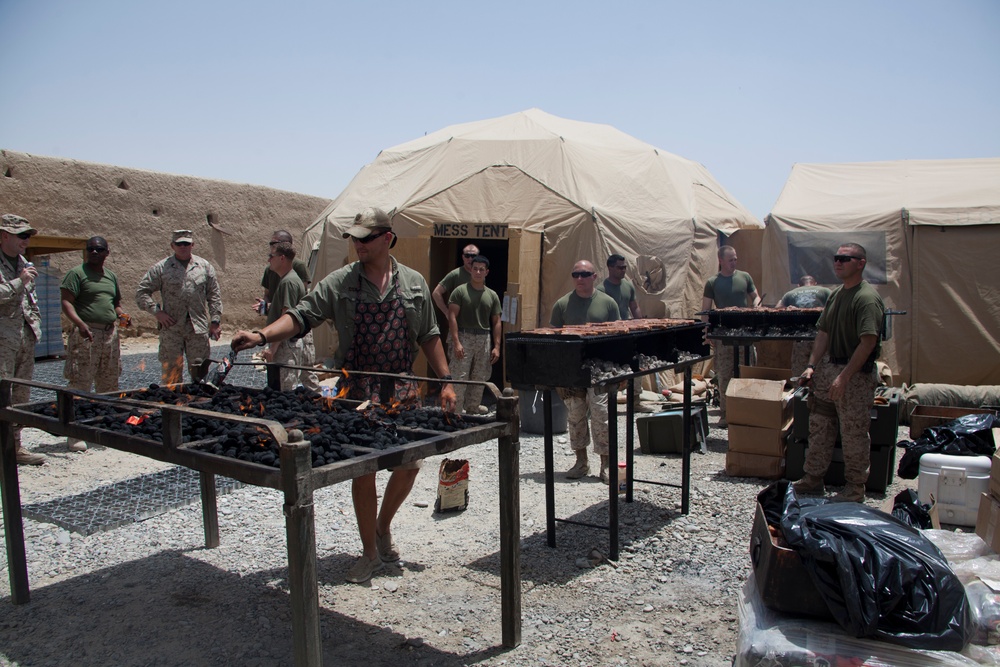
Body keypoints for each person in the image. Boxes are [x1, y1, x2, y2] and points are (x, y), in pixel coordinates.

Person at [230, 207, 456, 584]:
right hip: (357, 388)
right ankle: (369, 551)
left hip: (402, 387)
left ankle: (383, 527)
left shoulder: (414, 283)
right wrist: (262, 335)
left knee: (410, 464)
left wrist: (446, 380)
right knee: (364, 469)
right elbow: (302, 315)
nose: (358, 244)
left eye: (366, 238)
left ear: (387, 239)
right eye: (354, 237)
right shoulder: (340, 282)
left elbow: (430, 335)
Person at [793, 243, 885, 503]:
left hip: (854, 374)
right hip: (828, 368)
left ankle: (855, 488)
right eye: (837, 258)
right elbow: (824, 332)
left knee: (853, 431)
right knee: (820, 426)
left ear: (861, 263)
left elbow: (867, 343)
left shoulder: (866, 298)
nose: (839, 262)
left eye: (846, 258)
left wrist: (844, 377)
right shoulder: (836, 295)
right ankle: (813, 478)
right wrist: (812, 366)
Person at [550, 260, 621, 484]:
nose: (579, 278)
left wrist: (619, 373)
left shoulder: (608, 304)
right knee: (575, 416)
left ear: (595, 276)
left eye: (584, 274)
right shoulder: (562, 305)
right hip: (573, 371)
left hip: (601, 370)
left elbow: (619, 337)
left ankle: (606, 464)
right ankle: (581, 461)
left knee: (602, 416)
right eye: (575, 274)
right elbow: (553, 338)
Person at [60, 236, 130, 451]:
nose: (94, 252)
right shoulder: (76, 274)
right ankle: (74, 433)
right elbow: (66, 302)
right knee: (80, 382)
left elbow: (115, 302)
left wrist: (121, 315)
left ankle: (105, 428)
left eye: (99, 249)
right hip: (86, 334)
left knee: (109, 382)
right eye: (90, 249)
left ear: (107, 252)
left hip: (109, 335)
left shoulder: (110, 276)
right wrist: (79, 324)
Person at [136, 230, 223, 384]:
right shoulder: (162, 268)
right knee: (171, 375)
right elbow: (142, 292)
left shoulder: (204, 267)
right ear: (172, 245)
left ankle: (198, 405)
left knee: (200, 374)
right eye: (179, 244)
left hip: (197, 329)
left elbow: (214, 295)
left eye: (187, 243)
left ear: (192, 245)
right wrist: (157, 312)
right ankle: (172, 406)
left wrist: (215, 321)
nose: (183, 246)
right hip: (171, 329)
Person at [0, 214, 45, 465]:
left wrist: (36, 325)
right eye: (22, 236)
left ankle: (15, 446)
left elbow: (31, 300)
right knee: (1, 392)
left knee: (20, 394)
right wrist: (20, 281)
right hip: (2, 339)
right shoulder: (19, 270)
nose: (26, 241)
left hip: (24, 338)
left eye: (28, 237)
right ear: (5, 235)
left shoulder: (24, 263)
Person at [701, 245, 761, 427]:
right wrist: (707, 332)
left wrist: (757, 306)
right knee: (725, 373)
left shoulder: (745, 277)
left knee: (746, 371)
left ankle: (747, 412)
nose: (734, 262)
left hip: (745, 332)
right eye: (730, 260)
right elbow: (706, 309)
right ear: (720, 260)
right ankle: (726, 413)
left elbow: (755, 296)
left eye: (735, 259)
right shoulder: (712, 282)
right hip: (723, 334)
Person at [254, 229, 319, 392]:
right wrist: (266, 307)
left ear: (282, 255)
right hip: (283, 332)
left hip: (289, 334)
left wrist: (273, 347)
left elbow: (292, 310)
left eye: (272, 249)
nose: (269, 258)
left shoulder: (292, 277)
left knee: (290, 383)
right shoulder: (278, 274)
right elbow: (271, 297)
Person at [447, 255, 501, 414]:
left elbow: (497, 321)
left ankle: (472, 407)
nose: (478, 272)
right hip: (464, 336)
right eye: (475, 268)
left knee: (479, 376)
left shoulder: (492, 295)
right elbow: (452, 317)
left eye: (481, 269)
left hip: (483, 338)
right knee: (459, 375)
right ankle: (455, 410)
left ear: (487, 272)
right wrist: (456, 342)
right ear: (470, 270)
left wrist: (497, 347)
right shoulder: (460, 291)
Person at [597, 253, 645, 411]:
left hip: (628, 333)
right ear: (610, 268)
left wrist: (640, 325)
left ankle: (635, 401)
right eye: (620, 267)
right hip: (611, 335)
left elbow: (634, 306)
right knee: (612, 368)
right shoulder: (602, 289)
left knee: (636, 364)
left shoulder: (628, 286)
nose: (623, 270)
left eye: (624, 267)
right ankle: (609, 402)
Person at [260, 242, 308, 390]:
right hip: (284, 345)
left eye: (271, 256)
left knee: (284, 391)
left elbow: (286, 317)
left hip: (284, 346)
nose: (269, 260)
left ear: (282, 258)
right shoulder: (287, 280)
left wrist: (273, 348)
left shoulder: (289, 282)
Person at [778, 275, 832, 377]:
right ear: (815, 283)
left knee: (800, 369)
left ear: (799, 285)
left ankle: (801, 388)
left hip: (800, 337)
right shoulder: (825, 291)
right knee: (822, 369)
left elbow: (777, 310)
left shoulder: (790, 293)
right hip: (822, 336)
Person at [432, 243, 480, 319]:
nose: (470, 259)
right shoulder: (455, 274)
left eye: (473, 256)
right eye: (467, 256)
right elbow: (436, 293)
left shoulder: (480, 275)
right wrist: (447, 312)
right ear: (463, 257)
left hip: (476, 321)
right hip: (458, 323)